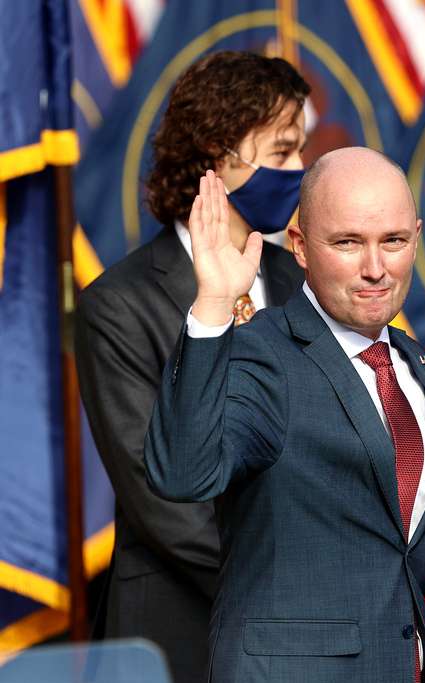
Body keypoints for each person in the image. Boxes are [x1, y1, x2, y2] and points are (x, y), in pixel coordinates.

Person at [144, 149, 425, 683]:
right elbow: (184, 473)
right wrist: (213, 307)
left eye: (393, 241)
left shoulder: (413, 361)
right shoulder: (263, 353)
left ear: (416, 237)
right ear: (300, 247)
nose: (374, 268)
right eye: (347, 243)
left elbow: (415, 542)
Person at [75, 51, 308, 682]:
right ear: (216, 153)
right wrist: (296, 586)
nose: (300, 170)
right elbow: (161, 497)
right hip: (178, 636)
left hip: (301, 640)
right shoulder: (118, 305)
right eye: (282, 151)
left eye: (301, 151)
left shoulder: (298, 281)